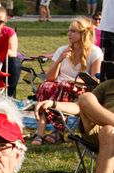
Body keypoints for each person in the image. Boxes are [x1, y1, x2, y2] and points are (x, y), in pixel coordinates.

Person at [35, 80, 114, 173]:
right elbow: (79, 107)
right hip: (99, 132)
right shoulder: (109, 85)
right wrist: (53, 103)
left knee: (109, 132)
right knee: (85, 97)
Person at [32, 17, 102, 145]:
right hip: (58, 87)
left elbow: (95, 80)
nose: (69, 34)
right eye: (69, 30)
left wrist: (74, 81)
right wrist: (59, 59)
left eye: (74, 31)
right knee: (45, 86)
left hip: (81, 89)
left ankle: (45, 132)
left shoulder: (95, 52)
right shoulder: (62, 50)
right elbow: (50, 77)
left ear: (83, 33)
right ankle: (53, 132)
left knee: (62, 87)